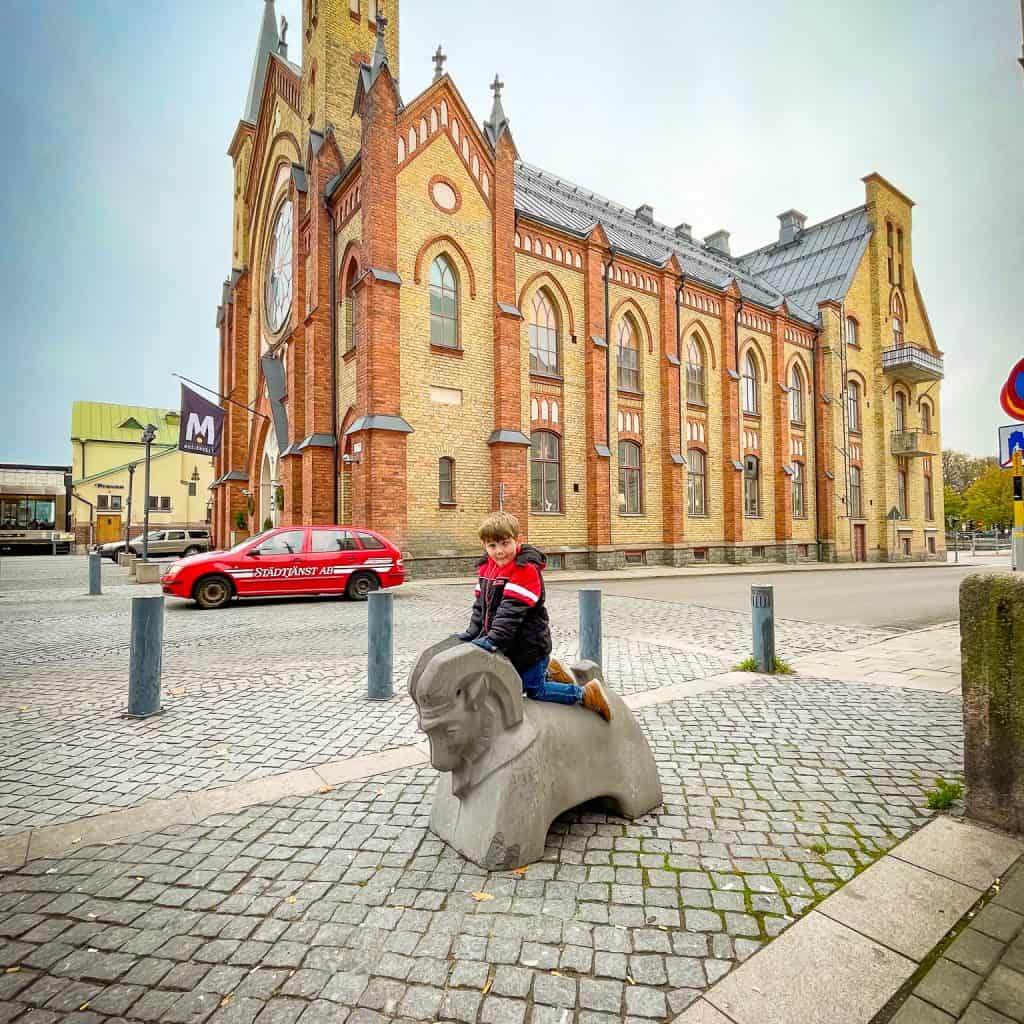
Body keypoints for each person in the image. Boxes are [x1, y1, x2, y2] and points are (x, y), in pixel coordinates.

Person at [456, 511, 611, 720]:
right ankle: (550, 669)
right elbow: (479, 606)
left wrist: (492, 640)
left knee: (534, 690)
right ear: (484, 546)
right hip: (511, 645)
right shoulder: (486, 568)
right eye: (492, 546)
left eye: (505, 543)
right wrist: (473, 632)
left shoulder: (525, 571)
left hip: (529, 646)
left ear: (517, 540)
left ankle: (586, 694)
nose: (499, 551)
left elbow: (510, 612)